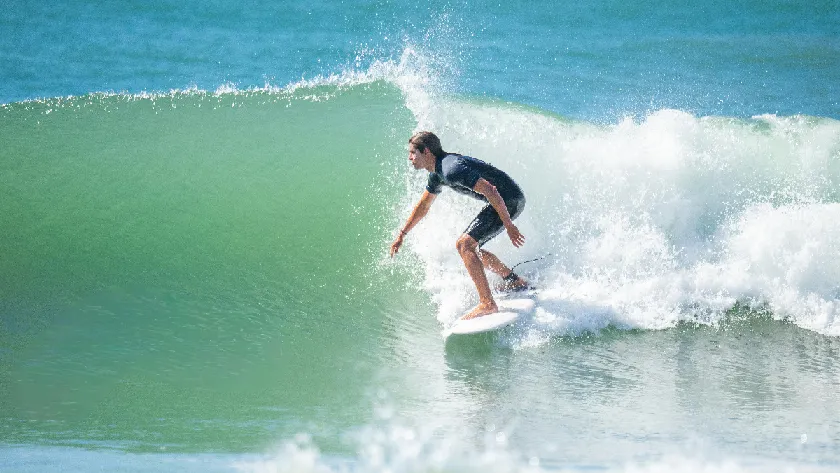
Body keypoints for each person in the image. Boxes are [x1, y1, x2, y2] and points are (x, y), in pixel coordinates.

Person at [390, 131, 530, 320]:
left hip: (508, 200)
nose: (410, 158)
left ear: (426, 152)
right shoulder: (437, 174)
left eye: (413, 153)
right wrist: (402, 234)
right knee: (471, 249)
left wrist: (509, 225)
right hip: (505, 200)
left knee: (464, 245)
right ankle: (514, 281)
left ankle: (488, 304)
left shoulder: (451, 169)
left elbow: (490, 190)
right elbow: (423, 206)